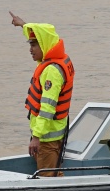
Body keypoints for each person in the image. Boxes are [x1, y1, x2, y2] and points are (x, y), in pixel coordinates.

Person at [10, 11, 73, 175]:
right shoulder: (58, 58)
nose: (30, 50)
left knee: (47, 178)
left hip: (47, 139)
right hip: (53, 134)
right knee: (54, 173)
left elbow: (47, 108)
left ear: (44, 45)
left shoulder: (51, 71)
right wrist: (23, 25)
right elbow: (42, 35)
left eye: (33, 45)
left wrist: (36, 137)